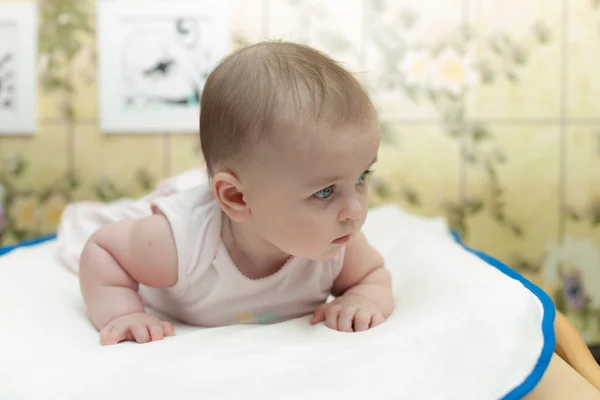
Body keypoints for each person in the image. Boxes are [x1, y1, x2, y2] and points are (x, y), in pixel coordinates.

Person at [79, 41, 394, 346]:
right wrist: (125, 313)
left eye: (362, 177)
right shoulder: (179, 244)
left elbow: (373, 277)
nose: (354, 209)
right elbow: (104, 250)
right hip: (192, 203)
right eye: (325, 192)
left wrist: (362, 298)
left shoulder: (339, 246)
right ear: (238, 199)